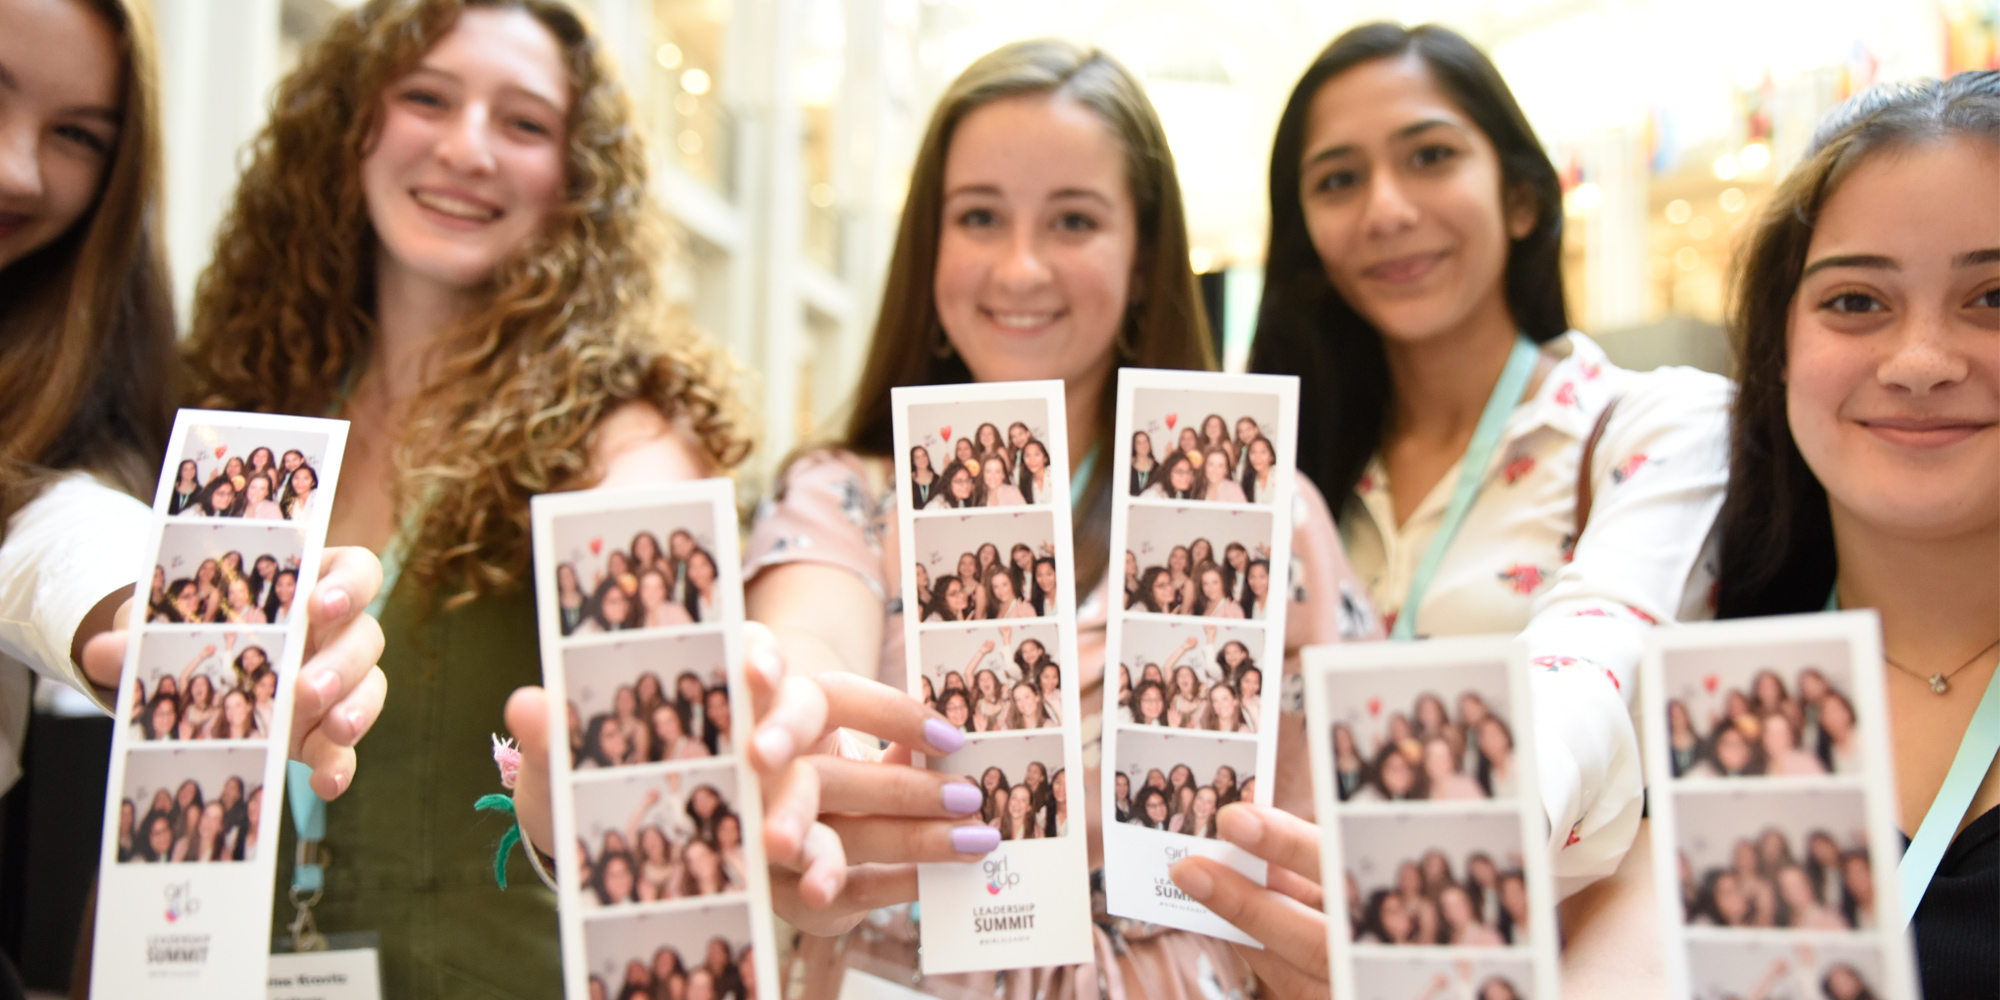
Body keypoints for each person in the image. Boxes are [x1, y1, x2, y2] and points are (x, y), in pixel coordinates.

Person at [177, 1, 748, 994]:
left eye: (523, 123)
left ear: (574, 177)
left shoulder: (625, 432)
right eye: (426, 98)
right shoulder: (253, 410)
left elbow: (657, 682)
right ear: (348, 128)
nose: (466, 148)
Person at [1239, 16, 1734, 912]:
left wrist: (1470, 846)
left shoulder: (1653, 426)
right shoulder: (1289, 472)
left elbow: (1594, 651)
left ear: (1520, 196)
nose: (1386, 209)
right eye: (1340, 179)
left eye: (1429, 156)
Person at [1706, 72, 1999, 998]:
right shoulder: (1682, 701)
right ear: (1778, 349)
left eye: (1994, 298)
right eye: (1856, 302)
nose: (1921, 363)